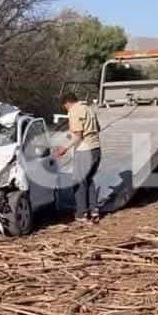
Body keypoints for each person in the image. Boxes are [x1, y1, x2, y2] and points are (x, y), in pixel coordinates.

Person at [54, 93, 102, 222]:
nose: (66, 109)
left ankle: (81, 214)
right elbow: (98, 128)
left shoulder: (75, 111)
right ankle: (94, 210)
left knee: (78, 181)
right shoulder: (89, 109)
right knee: (89, 179)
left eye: (65, 107)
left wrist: (64, 148)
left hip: (85, 151)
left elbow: (78, 135)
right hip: (96, 148)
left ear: (67, 103)